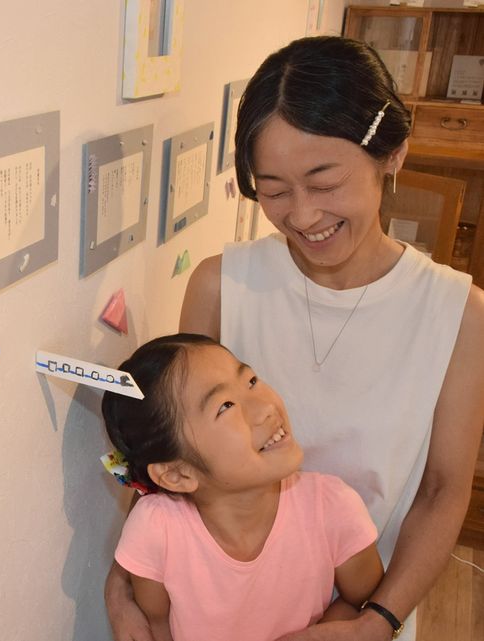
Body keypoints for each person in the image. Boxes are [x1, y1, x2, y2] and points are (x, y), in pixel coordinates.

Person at [105, 36, 484, 641]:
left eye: (325, 182)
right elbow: (175, 441)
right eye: (274, 191)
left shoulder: (458, 314)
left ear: (392, 155)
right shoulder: (221, 285)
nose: (303, 216)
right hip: (222, 611)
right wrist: (123, 587)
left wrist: (377, 623)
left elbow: (442, 492)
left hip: (369, 604)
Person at [103, 333, 384, 641]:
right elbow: (157, 628)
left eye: (251, 380)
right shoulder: (156, 530)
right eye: (225, 406)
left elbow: (363, 601)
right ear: (178, 475)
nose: (265, 406)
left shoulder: (333, 507)